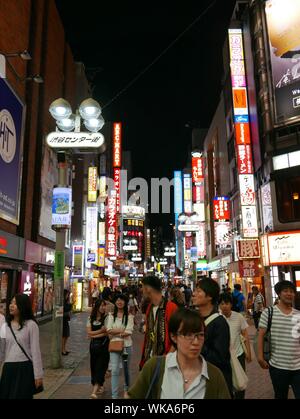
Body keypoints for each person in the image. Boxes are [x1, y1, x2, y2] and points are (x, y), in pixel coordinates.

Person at [128, 308, 231, 399]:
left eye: (200, 335)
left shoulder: (214, 375)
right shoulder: (155, 366)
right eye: (188, 335)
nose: (196, 342)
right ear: (174, 337)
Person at [257, 280, 300, 399]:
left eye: (291, 291)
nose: (289, 294)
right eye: (285, 291)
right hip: (278, 366)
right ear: (279, 294)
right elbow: (260, 335)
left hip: (298, 366)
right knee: (281, 395)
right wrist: (260, 357)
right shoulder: (269, 312)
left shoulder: (298, 314)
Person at [192, 278, 232, 394]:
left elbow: (219, 358)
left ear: (209, 297)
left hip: (214, 383)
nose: (194, 294)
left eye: (198, 291)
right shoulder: (194, 319)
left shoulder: (219, 323)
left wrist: (196, 343)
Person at [0, 294, 43, 399]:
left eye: (15, 303)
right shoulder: (5, 326)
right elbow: (1, 352)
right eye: (11, 303)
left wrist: (38, 375)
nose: (11, 305)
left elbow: (35, 351)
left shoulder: (31, 325)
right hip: (8, 369)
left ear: (23, 305)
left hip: (25, 369)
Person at [139, 276, 178, 370]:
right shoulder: (150, 308)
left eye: (143, 287)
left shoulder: (171, 307)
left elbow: (178, 335)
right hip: (149, 359)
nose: (141, 290)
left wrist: (168, 357)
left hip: (165, 361)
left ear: (148, 288)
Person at [219, 293, 251, 399]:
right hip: (224, 357)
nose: (224, 306)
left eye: (227, 303)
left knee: (240, 382)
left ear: (231, 304)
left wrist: (249, 353)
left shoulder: (238, 317)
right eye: (222, 304)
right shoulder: (217, 319)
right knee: (227, 382)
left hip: (239, 354)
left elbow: (245, 334)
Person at [106, 294, 134, 399]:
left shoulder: (130, 316)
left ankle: (126, 391)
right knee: (114, 371)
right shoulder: (111, 316)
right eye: (117, 300)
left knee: (127, 370)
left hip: (127, 346)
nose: (119, 302)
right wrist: (122, 331)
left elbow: (129, 331)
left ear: (125, 302)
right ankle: (114, 396)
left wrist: (115, 332)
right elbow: (108, 330)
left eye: (121, 300)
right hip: (114, 346)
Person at [87, 298, 109, 399]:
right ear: (97, 307)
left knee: (100, 367)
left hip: (104, 346)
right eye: (101, 306)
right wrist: (100, 331)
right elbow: (89, 332)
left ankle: (94, 392)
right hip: (93, 347)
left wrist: (93, 335)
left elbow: (107, 332)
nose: (103, 308)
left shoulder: (107, 318)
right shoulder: (90, 318)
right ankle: (100, 385)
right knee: (94, 367)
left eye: (104, 306)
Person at [62, 289, 72, 355]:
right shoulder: (61, 302)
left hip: (66, 320)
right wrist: (67, 314)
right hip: (63, 321)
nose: (68, 296)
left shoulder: (66, 301)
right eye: (67, 294)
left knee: (66, 335)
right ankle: (62, 349)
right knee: (64, 335)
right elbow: (59, 313)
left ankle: (64, 348)